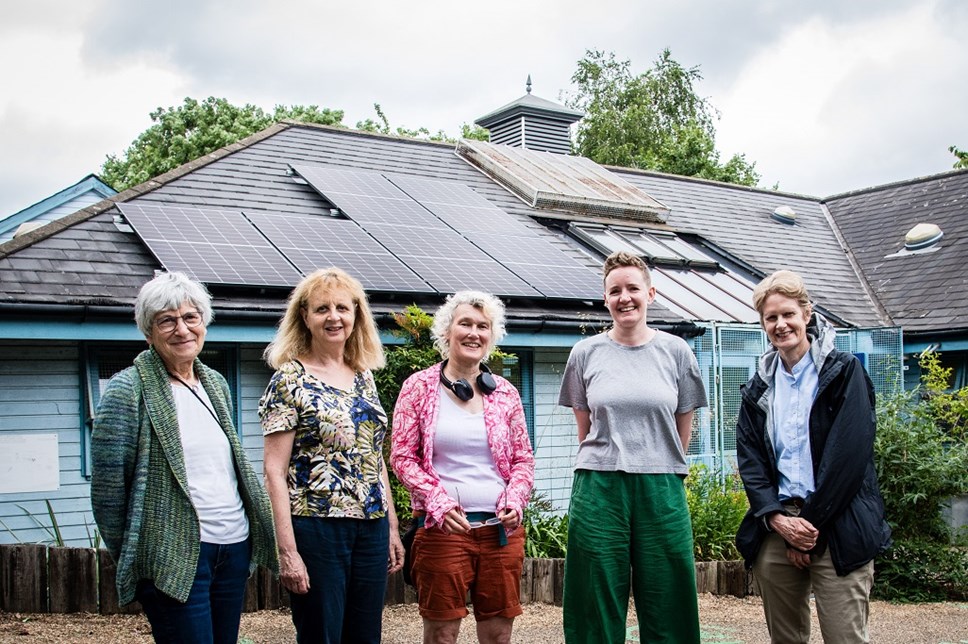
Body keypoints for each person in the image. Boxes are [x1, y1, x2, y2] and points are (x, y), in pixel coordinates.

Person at [91, 272, 277, 644]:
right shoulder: (128, 390)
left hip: (233, 548)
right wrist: (144, 552)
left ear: (203, 323)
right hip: (175, 557)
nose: (182, 329)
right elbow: (108, 494)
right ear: (148, 332)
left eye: (191, 317)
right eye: (167, 320)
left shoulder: (215, 384)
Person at [558, 251, 708, 644]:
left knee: (668, 594)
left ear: (651, 293)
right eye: (615, 291)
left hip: (661, 486)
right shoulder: (585, 354)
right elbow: (585, 428)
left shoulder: (677, 352)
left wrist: (657, 459)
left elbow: (682, 429)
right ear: (605, 299)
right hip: (600, 486)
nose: (625, 298)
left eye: (633, 288)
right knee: (594, 593)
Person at [735, 270, 891, 644]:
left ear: (807, 314)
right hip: (778, 525)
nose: (780, 324)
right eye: (771, 318)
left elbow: (848, 459)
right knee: (785, 639)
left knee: (844, 638)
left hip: (838, 524)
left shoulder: (843, 371)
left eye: (787, 314)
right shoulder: (759, 386)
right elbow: (751, 460)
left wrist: (808, 530)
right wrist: (775, 518)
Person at [259, 267, 404, 643]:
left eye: (342, 307)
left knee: (366, 635)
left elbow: (374, 457)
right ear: (304, 317)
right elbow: (273, 471)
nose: (334, 317)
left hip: (370, 527)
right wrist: (287, 551)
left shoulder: (363, 375)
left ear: (356, 315)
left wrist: (390, 527)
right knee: (322, 634)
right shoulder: (289, 378)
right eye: (322, 308)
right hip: (317, 526)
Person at [391, 290, 535, 644]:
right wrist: (438, 502)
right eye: (465, 324)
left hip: (501, 534)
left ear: (492, 335)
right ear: (447, 332)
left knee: (499, 634)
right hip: (442, 533)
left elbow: (523, 459)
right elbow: (401, 456)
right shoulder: (418, 387)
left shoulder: (505, 393)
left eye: (483, 326)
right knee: (442, 634)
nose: (474, 333)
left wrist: (515, 499)